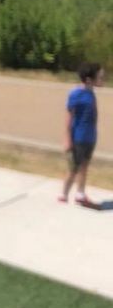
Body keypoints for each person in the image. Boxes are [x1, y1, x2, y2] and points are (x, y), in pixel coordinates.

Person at [59, 62, 104, 204]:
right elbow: (68, 118)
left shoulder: (91, 93)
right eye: (100, 78)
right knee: (74, 169)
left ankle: (80, 193)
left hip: (90, 137)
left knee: (85, 166)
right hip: (78, 138)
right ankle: (64, 194)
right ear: (89, 80)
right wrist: (67, 140)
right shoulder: (76, 94)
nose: (102, 80)